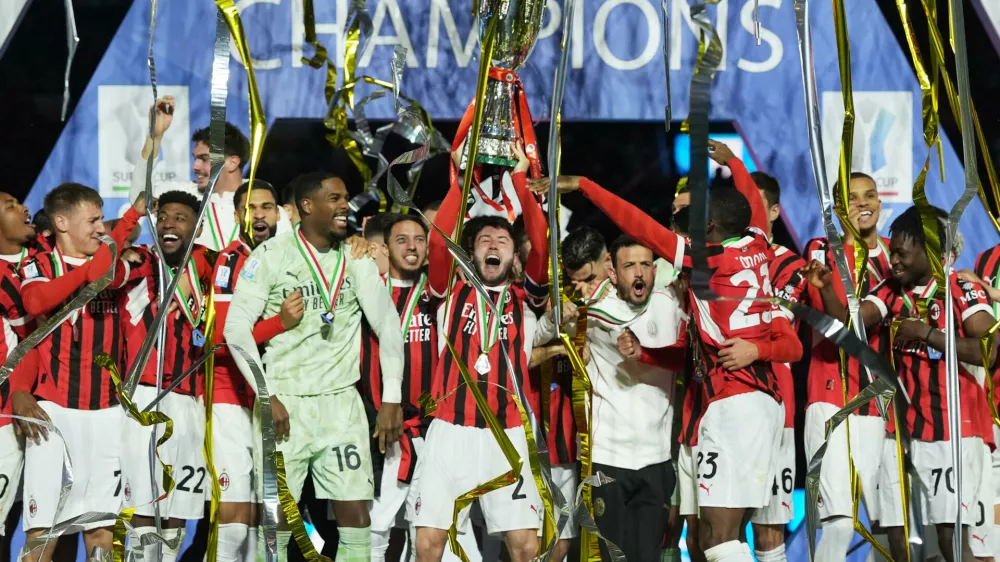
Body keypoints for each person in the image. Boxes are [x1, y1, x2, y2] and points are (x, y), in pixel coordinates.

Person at [533, 139, 803, 562]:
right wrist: (734, 163)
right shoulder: (758, 243)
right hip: (758, 404)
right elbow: (749, 200)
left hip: (731, 403)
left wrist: (585, 185)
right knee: (712, 536)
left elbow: (637, 223)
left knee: (720, 538)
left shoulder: (706, 259)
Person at [225, 171, 405, 562]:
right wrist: (264, 394)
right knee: (279, 518)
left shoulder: (356, 257)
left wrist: (392, 397)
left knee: (356, 514)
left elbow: (389, 325)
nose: (345, 206)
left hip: (342, 405)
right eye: (335, 198)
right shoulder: (271, 256)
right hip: (285, 402)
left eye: (346, 198)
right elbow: (235, 330)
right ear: (308, 206)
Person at [805, 205, 996, 562]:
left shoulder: (960, 289)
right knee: (895, 529)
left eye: (902, 253)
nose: (893, 259)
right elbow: (853, 324)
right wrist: (828, 290)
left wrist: (927, 333)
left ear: (931, 251)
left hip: (952, 427)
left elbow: (990, 350)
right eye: (892, 251)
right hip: (899, 428)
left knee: (951, 537)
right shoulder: (892, 290)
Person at [415, 142, 550, 562]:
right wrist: (459, 179)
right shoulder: (450, 294)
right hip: (448, 433)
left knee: (524, 547)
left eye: (503, 240)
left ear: (513, 259)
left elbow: (542, 247)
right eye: (484, 239)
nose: (493, 243)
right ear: (471, 254)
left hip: (508, 433)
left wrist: (523, 186)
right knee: (429, 544)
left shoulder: (526, 302)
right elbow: (439, 245)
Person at [13, 183, 143, 562]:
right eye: (93, 220)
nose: (101, 228)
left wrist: (124, 225)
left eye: (104, 220)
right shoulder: (38, 265)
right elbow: (36, 301)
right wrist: (89, 269)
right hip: (55, 414)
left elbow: (107, 272)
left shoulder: (112, 264)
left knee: (102, 527)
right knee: (43, 531)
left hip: (107, 413)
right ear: (62, 222)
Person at [362, 214, 479, 562]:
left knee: (429, 527)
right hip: (382, 429)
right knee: (375, 528)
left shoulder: (438, 293)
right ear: (384, 247)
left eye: (418, 240)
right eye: (401, 240)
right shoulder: (368, 290)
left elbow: (445, 240)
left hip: (433, 428)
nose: (411, 246)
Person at [117, 190, 215, 562]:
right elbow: (109, 271)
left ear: (198, 226)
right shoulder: (142, 261)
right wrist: (132, 219)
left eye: (181, 218)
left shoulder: (207, 266)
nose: (169, 223)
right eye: (163, 217)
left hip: (190, 400)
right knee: (145, 502)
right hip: (146, 396)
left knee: (178, 508)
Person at [799, 172, 891, 562]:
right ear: (838, 209)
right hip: (829, 398)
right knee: (838, 522)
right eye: (852, 198)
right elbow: (834, 327)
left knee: (887, 525)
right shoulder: (822, 251)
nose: (863, 203)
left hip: (878, 406)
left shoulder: (895, 256)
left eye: (870, 195)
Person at [209, 179, 298, 562]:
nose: (259, 214)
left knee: (270, 515)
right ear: (236, 215)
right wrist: (279, 322)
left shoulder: (291, 255)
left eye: (266, 206)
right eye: (250, 208)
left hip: (282, 394)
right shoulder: (230, 260)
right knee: (235, 515)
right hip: (230, 397)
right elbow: (222, 336)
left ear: (279, 213)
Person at [585, 235, 685, 562]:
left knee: (647, 558)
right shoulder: (593, 310)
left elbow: (691, 354)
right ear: (613, 273)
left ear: (656, 271)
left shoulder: (672, 306)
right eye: (629, 265)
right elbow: (555, 350)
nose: (638, 273)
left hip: (656, 461)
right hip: (607, 458)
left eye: (645, 264)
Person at [129, 96, 291, 252]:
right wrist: (154, 137)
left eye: (204, 159)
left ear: (232, 162)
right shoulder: (182, 196)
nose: (195, 166)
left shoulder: (263, 203)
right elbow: (140, 196)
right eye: (195, 158)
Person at [747, 171, 809, 562]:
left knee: (769, 529)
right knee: (716, 526)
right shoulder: (713, 261)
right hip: (718, 404)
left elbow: (776, 327)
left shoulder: (790, 264)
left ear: (773, 211)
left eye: (754, 204)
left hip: (774, 405)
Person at [0, 193, 36, 542]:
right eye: (11, 205)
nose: (23, 207)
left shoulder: (44, 259)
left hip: (37, 413)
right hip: (8, 416)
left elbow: (37, 341)